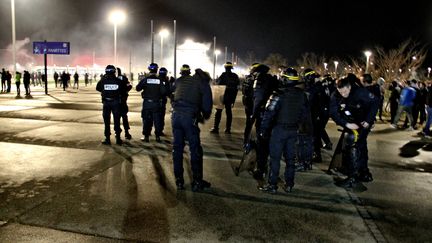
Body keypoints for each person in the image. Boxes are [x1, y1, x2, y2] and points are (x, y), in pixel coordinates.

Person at [259, 67, 310, 193]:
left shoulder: (278, 94)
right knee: (290, 159)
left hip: (279, 130)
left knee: (275, 158)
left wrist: (263, 130)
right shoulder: (302, 95)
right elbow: (304, 114)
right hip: (293, 130)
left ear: (285, 79)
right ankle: (289, 184)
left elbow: (268, 114)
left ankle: (272, 185)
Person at [330, 75, 379, 188]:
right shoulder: (335, 95)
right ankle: (363, 172)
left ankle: (354, 177)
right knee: (359, 145)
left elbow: (375, 101)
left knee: (353, 144)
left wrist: (368, 120)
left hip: (363, 122)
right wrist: (346, 124)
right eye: (340, 92)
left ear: (349, 87)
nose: (343, 94)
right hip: (349, 122)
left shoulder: (360, 92)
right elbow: (333, 113)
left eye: (345, 91)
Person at [171, 65, 213, 192]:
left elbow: (171, 93)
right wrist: (203, 116)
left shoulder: (180, 80)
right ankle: (197, 181)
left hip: (175, 116)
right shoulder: (203, 83)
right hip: (189, 118)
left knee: (177, 149)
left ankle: (179, 180)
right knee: (195, 149)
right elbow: (207, 104)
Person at [249, 63, 278, 180]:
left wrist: (253, 115)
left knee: (262, 143)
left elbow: (258, 98)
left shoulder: (259, 80)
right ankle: (271, 169)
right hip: (274, 115)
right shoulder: (272, 79)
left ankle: (261, 169)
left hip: (263, 115)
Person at [136, 63, 166, 142]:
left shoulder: (146, 79)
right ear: (157, 70)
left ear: (149, 69)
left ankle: (146, 136)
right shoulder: (159, 80)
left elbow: (138, 88)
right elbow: (164, 92)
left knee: (146, 119)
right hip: (156, 103)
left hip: (147, 103)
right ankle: (157, 137)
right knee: (157, 120)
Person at [96, 65, 125, 145]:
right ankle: (118, 138)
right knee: (117, 120)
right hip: (116, 103)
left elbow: (98, 88)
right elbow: (123, 90)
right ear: (114, 71)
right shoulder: (118, 81)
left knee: (106, 121)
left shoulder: (103, 81)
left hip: (106, 103)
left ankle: (107, 139)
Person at [210, 62, 240, 134]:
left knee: (218, 112)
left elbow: (218, 84)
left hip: (222, 96)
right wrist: (233, 99)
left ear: (225, 68)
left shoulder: (223, 75)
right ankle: (228, 129)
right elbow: (237, 87)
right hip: (230, 97)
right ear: (231, 68)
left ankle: (216, 128)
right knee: (229, 112)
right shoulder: (235, 76)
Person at [117, 67, 133, 140]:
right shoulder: (123, 78)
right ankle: (126, 132)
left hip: (115, 101)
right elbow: (129, 86)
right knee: (124, 117)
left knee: (116, 118)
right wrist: (125, 91)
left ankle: (117, 134)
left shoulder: (112, 79)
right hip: (123, 100)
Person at [158, 67, 174, 136]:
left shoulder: (156, 79)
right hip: (161, 101)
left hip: (154, 101)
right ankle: (159, 131)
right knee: (161, 116)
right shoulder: (166, 81)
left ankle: (147, 132)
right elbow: (168, 91)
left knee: (151, 117)